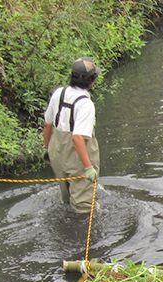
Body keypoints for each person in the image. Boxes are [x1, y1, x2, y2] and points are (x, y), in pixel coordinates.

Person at [43, 57, 101, 214]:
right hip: (77, 156)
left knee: (66, 199)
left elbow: (47, 124)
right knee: (84, 206)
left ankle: (63, 231)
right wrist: (88, 167)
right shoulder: (85, 104)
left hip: (57, 151)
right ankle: (79, 235)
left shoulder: (58, 93)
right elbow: (77, 137)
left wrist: (48, 149)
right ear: (91, 81)